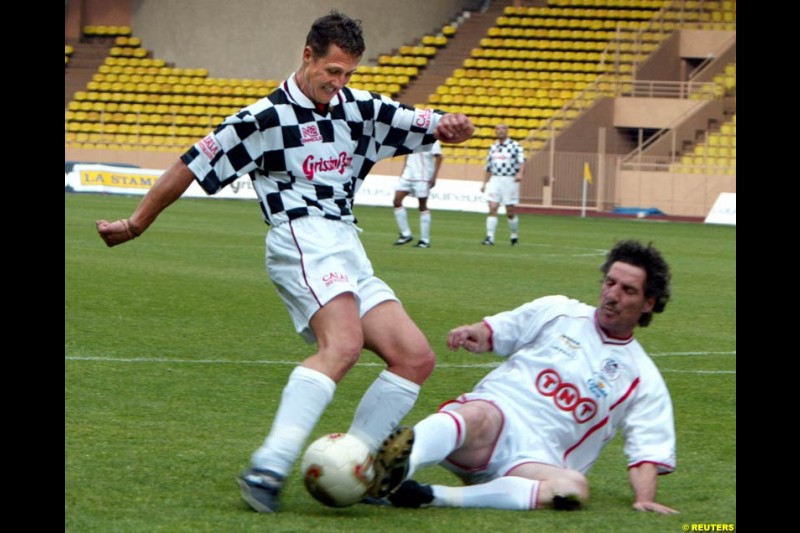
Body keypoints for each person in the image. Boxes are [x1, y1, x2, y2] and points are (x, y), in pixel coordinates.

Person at [95, 10, 475, 514]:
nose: (338, 84)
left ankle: (354, 463)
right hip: (300, 236)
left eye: (348, 75)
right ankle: (267, 465)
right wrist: (137, 223)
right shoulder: (264, 118)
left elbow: (427, 122)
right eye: (331, 72)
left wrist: (453, 125)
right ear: (307, 56)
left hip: (346, 242)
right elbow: (192, 164)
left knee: (414, 356)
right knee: (342, 344)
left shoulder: (360, 108)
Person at [374, 240, 679, 514]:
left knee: (573, 487)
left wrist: (644, 498)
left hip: (534, 463)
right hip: (491, 426)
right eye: (610, 283)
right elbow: (496, 332)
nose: (612, 295)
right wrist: (474, 332)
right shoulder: (559, 311)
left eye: (628, 290)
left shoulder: (642, 377)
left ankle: (430, 496)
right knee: (478, 412)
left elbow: (646, 451)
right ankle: (385, 473)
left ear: (649, 303)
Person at [480, 123, 526, 246]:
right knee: (492, 207)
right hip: (495, 179)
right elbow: (488, 167)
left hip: (510, 180)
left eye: (503, 128)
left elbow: (522, 162)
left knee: (509, 211)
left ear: (507, 131)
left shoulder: (515, 146)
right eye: (498, 129)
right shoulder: (492, 147)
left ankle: (514, 236)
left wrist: (520, 174)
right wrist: (484, 183)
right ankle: (490, 237)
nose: (500, 131)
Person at [392, 139, 443, 248]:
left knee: (422, 206)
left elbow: (439, 156)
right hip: (408, 175)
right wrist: (403, 171)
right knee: (397, 201)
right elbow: (406, 154)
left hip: (423, 176)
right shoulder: (412, 136)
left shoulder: (432, 139)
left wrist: (434, 176)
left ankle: (425, 240)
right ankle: (406, 234)